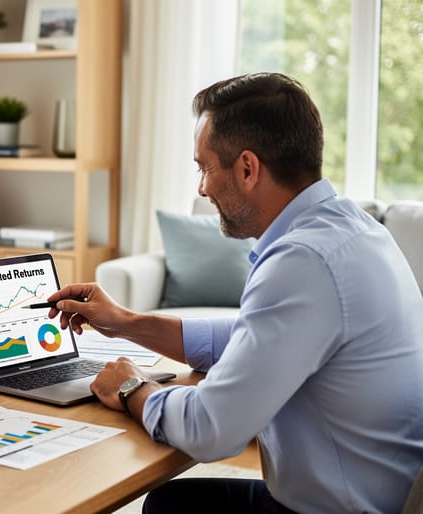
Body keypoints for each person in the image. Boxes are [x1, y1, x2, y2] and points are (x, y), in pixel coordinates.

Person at [47, 73, 423, 513]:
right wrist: (128, 323)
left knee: (169, 507)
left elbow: (211, 430)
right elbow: (250, 338)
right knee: (173, 503)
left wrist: (131, 387)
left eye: (204, 167)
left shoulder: (304, 261)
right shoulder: (354, 231)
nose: (202, 188)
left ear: (247, 168)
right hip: (380, 494)